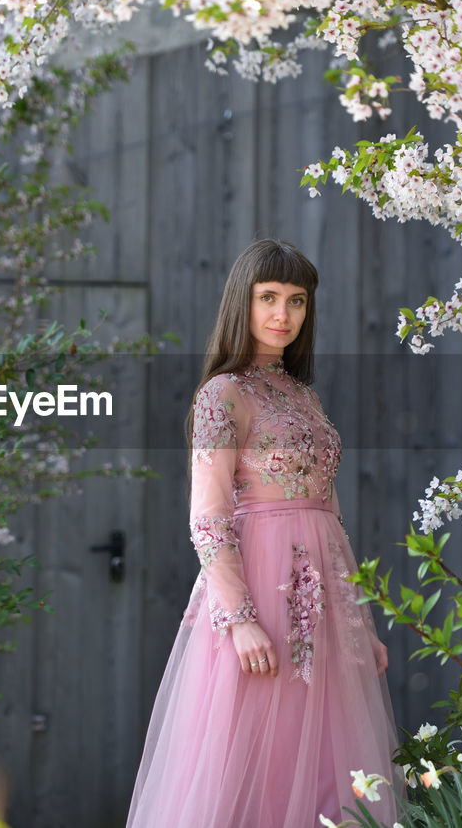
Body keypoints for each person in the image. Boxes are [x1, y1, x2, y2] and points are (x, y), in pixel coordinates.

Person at [125, 239, 400, 828]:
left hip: (324, 595)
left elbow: (331, 513)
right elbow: (208, 514)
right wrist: (240, 616)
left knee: (322, 754)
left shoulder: (304, 395)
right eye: (268, 297)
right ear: (241, 304)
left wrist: (363, 622)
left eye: (296, 301)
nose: (283, 314)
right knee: (255, 751)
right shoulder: (222, 394)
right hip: (260, 590)